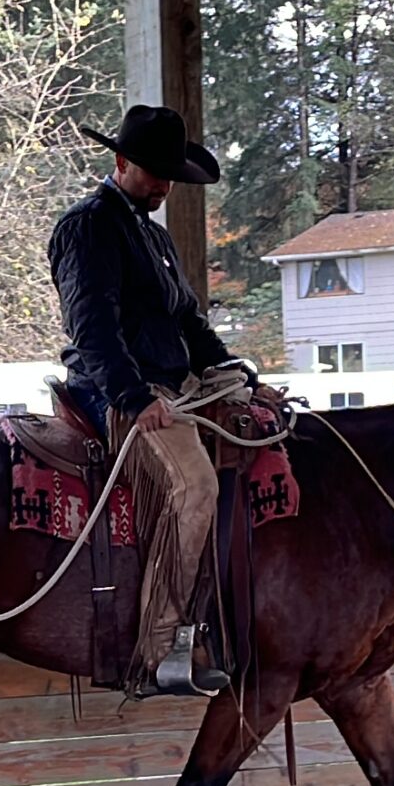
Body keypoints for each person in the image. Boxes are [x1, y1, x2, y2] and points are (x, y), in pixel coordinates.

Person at [48, 103, 243, 697]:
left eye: (169, 176)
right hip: (119, 391)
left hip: (173, 383)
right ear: (120, 162)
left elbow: (188, 320)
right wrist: (131, 396)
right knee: (195, 487)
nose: (162, 185)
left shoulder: (153, 235)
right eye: (153, 173)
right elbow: (93, 326)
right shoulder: (88, 227)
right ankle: (159, 650)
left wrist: (235, 372)